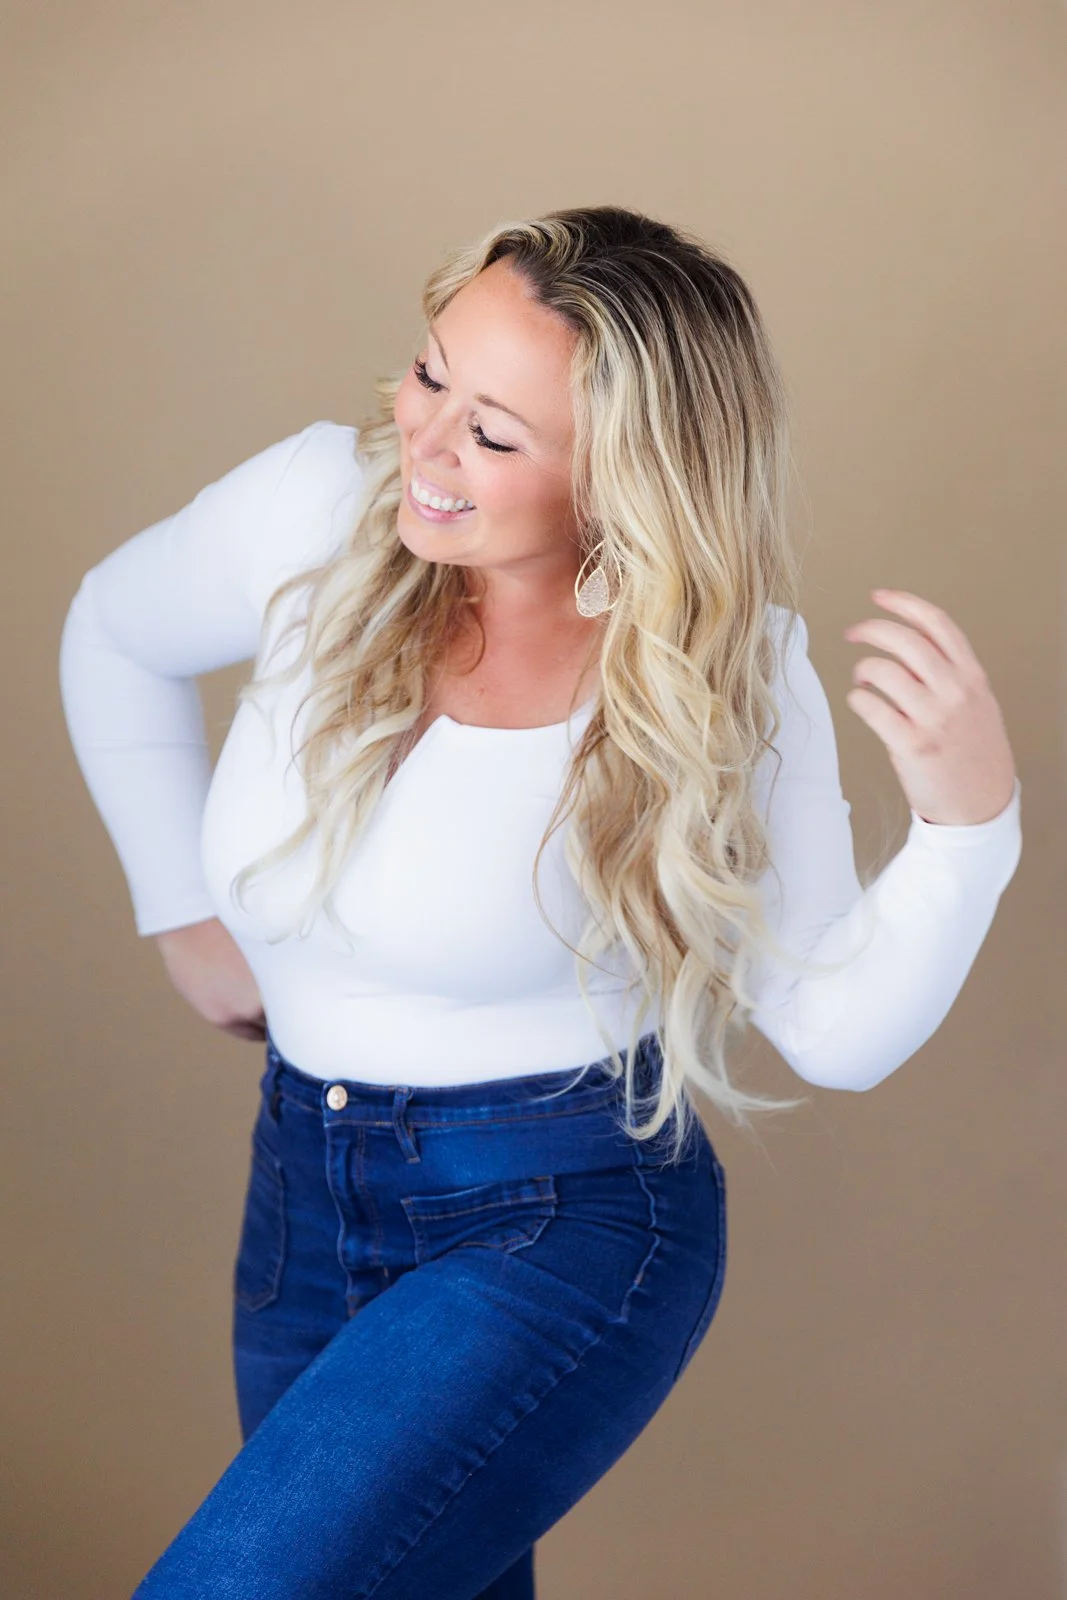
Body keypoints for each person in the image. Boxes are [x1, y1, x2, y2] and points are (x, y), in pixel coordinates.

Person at [58, 205, 1022, 1600]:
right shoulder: (315, 509)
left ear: (621, 479)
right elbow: (114, 626)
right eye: (430, 372)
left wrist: (968, 826)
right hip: (304, 1193)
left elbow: (832, 1030)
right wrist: (176, 906)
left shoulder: (720, 672)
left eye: (495, 435)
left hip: (558, 1220)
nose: (425, 441)